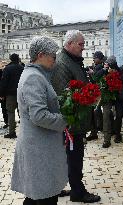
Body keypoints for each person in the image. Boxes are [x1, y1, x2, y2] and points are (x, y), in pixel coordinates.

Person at [11, 36, 68, 205]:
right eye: (53, 56)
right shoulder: (34, 77)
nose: (55, 60)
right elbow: (39, 116)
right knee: (45, 196)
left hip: (40, 146)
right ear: (41, 55)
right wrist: (66, 120)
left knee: (35, 196)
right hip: (39, 148)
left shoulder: (36, 74)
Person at [51, 30, 101, 203]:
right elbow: (64, 96)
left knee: (70, 157)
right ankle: (77, 192)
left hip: (77, 120)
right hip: (71, 123)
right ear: (69, 43)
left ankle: (56, 187)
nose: (83, 47)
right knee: (74, 157)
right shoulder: (62, 63)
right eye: (80, 44)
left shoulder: (72, 60)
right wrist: (87, 97)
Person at [0, 53, 23, 138]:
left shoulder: (7, 69)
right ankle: (25, 132)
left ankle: (12, 132)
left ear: (11, 59)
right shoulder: (22, 68)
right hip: (21, 93)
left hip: (10, 94)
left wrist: (1, 94)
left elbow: (4, 82)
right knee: (22, 113)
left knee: (10, 113)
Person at [87, 51, 106, 141]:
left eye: (95, 57)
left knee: (95, 111)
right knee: (95, 111)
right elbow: (93, 80)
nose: (94, 59)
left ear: (100, 58)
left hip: (100, 92)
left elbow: (96, 78)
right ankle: (97, 129)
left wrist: (92, 73)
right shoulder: (96, 66)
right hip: (96, 92)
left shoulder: (102, 67)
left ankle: (97, 129)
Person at [0, 63, 8, 128]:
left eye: (4, 65)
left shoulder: (5, 72)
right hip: (3, 93)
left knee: (4, 108)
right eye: (2, 65)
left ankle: (7, 122)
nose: (3, 67)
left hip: (3, 93)